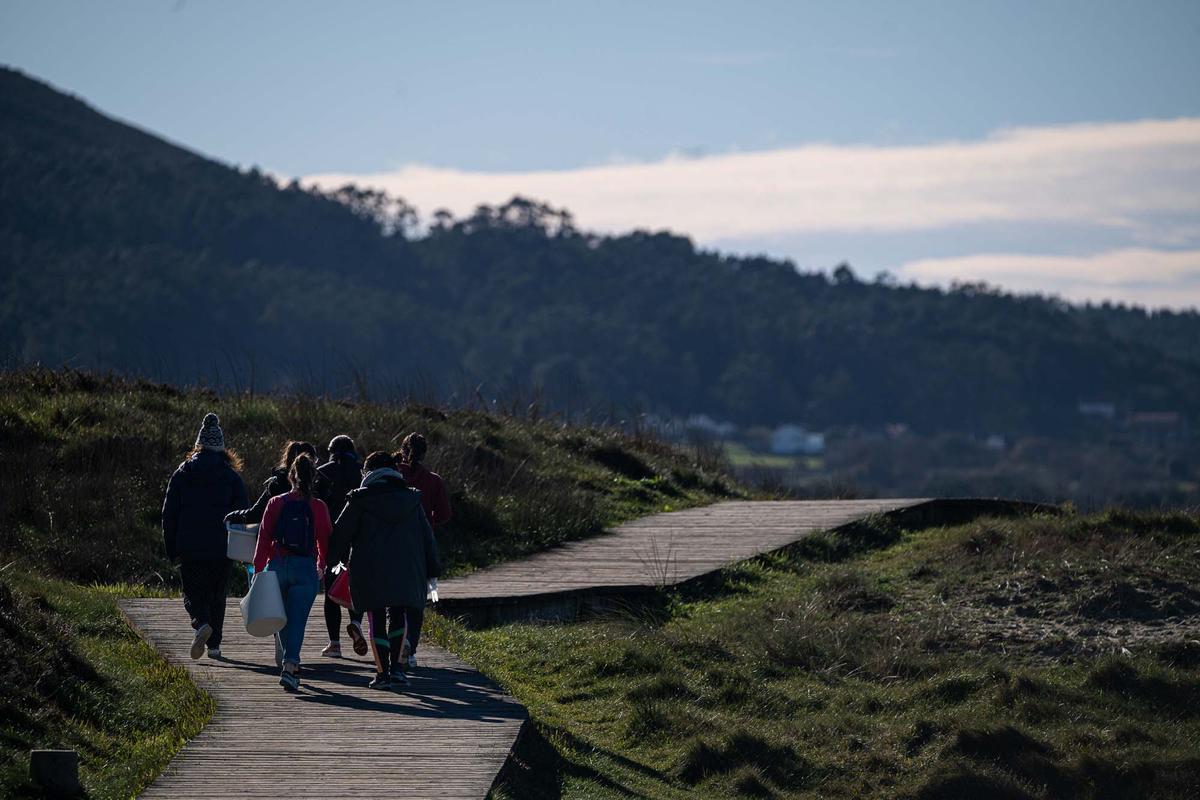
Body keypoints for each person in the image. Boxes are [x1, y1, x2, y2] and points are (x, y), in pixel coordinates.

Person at [329, 451, 440, 690]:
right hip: (407, 569)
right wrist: (432, 570)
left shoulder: (360, 500)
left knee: (376, 618)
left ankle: (382, 674)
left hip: (370, 569)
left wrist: (330, 561)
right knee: (399, 616)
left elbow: (340, 533)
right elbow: (427, 538)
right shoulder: (412, 500)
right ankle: (398, 670)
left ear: (368, 473)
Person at [162, 413, 248, 661]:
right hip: (222, 546)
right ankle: (215, 646)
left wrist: (172, 546)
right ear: (222, 447)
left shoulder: (182, 473)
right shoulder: (232, 477)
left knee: (192, 591)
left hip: (190, 545)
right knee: (217, 594)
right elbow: (243, 512)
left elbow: (169, 513)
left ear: (198, 444)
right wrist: (244, 549)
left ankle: (201, 623)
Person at [253, 453, 331, 692]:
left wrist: (258, 569)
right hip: (305, 568)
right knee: (297, 620)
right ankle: (290, 666)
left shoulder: (276, 502)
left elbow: (264, 537)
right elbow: (325, 538)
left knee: (283, 620)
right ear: (313, 477)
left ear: (291, 476)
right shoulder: (318, 506)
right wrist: (322, 563)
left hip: (278, 565)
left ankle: (291, 666)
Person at [395, 432, 451, 669]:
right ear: (425, 452)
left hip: (393, 543)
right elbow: (445, 515)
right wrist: (429, 522)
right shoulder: (433, 480)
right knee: (416, 600)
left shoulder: (393, 475)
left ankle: (394, 644)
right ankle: (410, 647)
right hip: (420, 546)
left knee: (394, 599)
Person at [315, 434, 366, 657]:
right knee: (357, 586)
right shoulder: (363, 472)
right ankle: (356, 622)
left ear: (331, 451)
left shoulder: (323, 472)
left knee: (331, 592)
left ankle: (334, 644)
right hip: (359, 539)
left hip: (331, 539)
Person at [227, 440, 318, 525]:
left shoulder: (276, 485)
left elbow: (256, 515)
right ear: (312, 463)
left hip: (280, 541)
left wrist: (234, 516)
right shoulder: (320, 487)